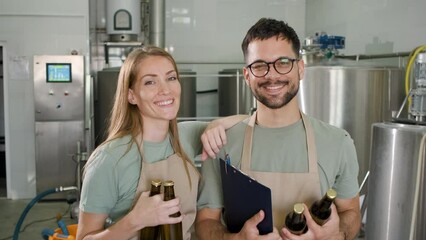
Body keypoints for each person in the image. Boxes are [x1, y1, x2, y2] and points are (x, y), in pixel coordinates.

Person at [196, 18, 361, 240]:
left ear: (300, 68)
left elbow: (351, 211)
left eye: (283, 62)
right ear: (247, 75)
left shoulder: (338, 142)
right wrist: (233, 239)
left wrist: (337, 234)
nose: (272, 75)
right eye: (259, 66)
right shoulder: (220, 143)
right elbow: (206, 222)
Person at [76, 46, 241, 240]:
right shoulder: (109, 159)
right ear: (131, 96)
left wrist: (217, 123)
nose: (165, 90)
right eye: (150, 82)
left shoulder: (185, 136)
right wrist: (135, 221)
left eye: (171, 78)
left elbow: (249, 121)